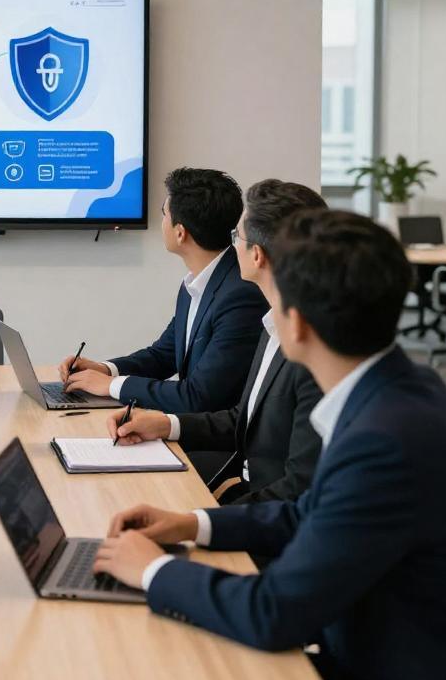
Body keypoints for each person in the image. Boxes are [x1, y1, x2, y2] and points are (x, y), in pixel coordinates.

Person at [95, 210, 446, 680]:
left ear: (297, 323)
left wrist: (152, 570)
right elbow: (309, 514)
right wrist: (190, 524)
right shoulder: (401, 390)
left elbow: (272, 613)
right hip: (359, 651)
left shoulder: (382, 440)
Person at [104, 180, 325, 505]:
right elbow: (242, 419)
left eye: (237, 237)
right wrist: (165, 424)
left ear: (257, 255)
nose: (231, 247)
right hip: (248, 494)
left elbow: (297, 492)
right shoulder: (272, 325)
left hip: (268, 514)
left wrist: (202, 521)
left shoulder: (311, 348)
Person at [61, 167, 268, 413]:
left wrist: (111, 386)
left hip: (214, 433)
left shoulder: (241, 296)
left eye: (164, 214)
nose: (162, 223)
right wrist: (105, 370)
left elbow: (198, 397)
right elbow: (164, 355)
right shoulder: (196, 284)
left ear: (180, 233)